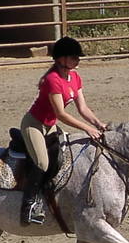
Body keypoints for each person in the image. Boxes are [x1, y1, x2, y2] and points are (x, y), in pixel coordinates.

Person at [19, 36, 107, 225]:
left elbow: (83, 108)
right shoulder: (53, 80)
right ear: (62, 59)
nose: (77, 60)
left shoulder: (75, 77)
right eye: (74, 57)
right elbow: (61, 114)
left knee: (63, 156)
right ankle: (28, 207)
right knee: (42, 162)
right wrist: (87, 129)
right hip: (34, 125)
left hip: (49, 125)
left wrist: (98, 123)